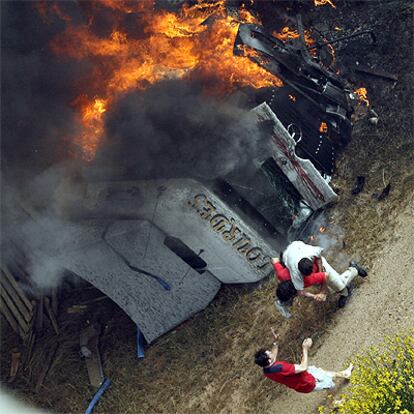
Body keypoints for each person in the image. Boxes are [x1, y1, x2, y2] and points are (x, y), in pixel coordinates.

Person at [254, 328, 353, 393]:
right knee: (329, 384)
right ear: (268, 360)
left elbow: (273, 357)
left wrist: (275, 342)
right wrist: (305, 348)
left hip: (300, 380)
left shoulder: (266, 369)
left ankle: (344, 374)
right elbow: (303, 367)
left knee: (322, 372)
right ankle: (336, 402)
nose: (271, 353)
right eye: (269, 353)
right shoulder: (280, 367)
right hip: (306, 382)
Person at [282, 241, 367, 304]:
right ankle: (345, 292)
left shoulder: (311, 252)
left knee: (337, 285)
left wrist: (320, 273)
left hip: (299, 247)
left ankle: (354, 269)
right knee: (333, 286)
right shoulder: (295, 273)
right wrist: (315, 295)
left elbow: (319, 259)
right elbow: (300, 291)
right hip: (291, 253)